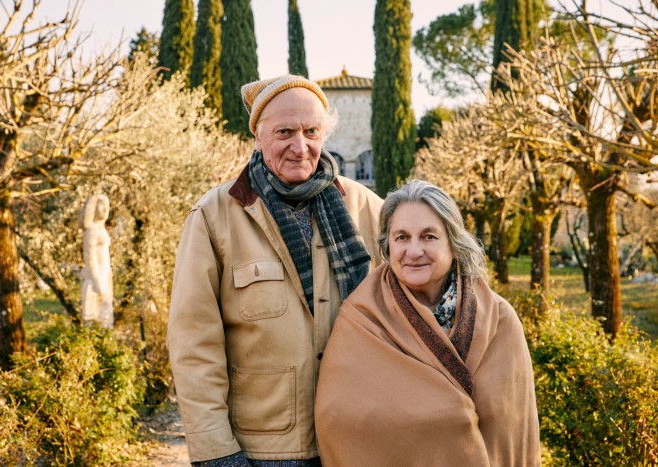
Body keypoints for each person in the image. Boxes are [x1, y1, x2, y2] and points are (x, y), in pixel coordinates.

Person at [167, 75, 383, 466]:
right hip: (264, 452)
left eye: (311, 131)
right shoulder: (214, 216)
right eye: (285, 131)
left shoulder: (365, 207)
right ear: (258, 137)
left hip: (356, 439)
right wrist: (217, 453)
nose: (300, 147)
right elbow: (193, 344)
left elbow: (422, 290)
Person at [315, 180, 540, 466]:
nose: (414, 251)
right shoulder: (362, 319)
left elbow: (517, 431)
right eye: (402, 238)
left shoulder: (500, 319)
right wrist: (449, 419)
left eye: (429, 236)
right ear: (387, 245)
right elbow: (337, 420)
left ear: (453, 241)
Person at [80, 194, 114, 329]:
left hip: (105, 275)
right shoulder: (92, 231)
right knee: (95, 319)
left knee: (105, 318)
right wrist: (98, 280)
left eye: (107, 207)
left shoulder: (101, 229)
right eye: (102, 206)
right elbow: (90, 257)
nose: (105, 210)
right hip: (95, 280)